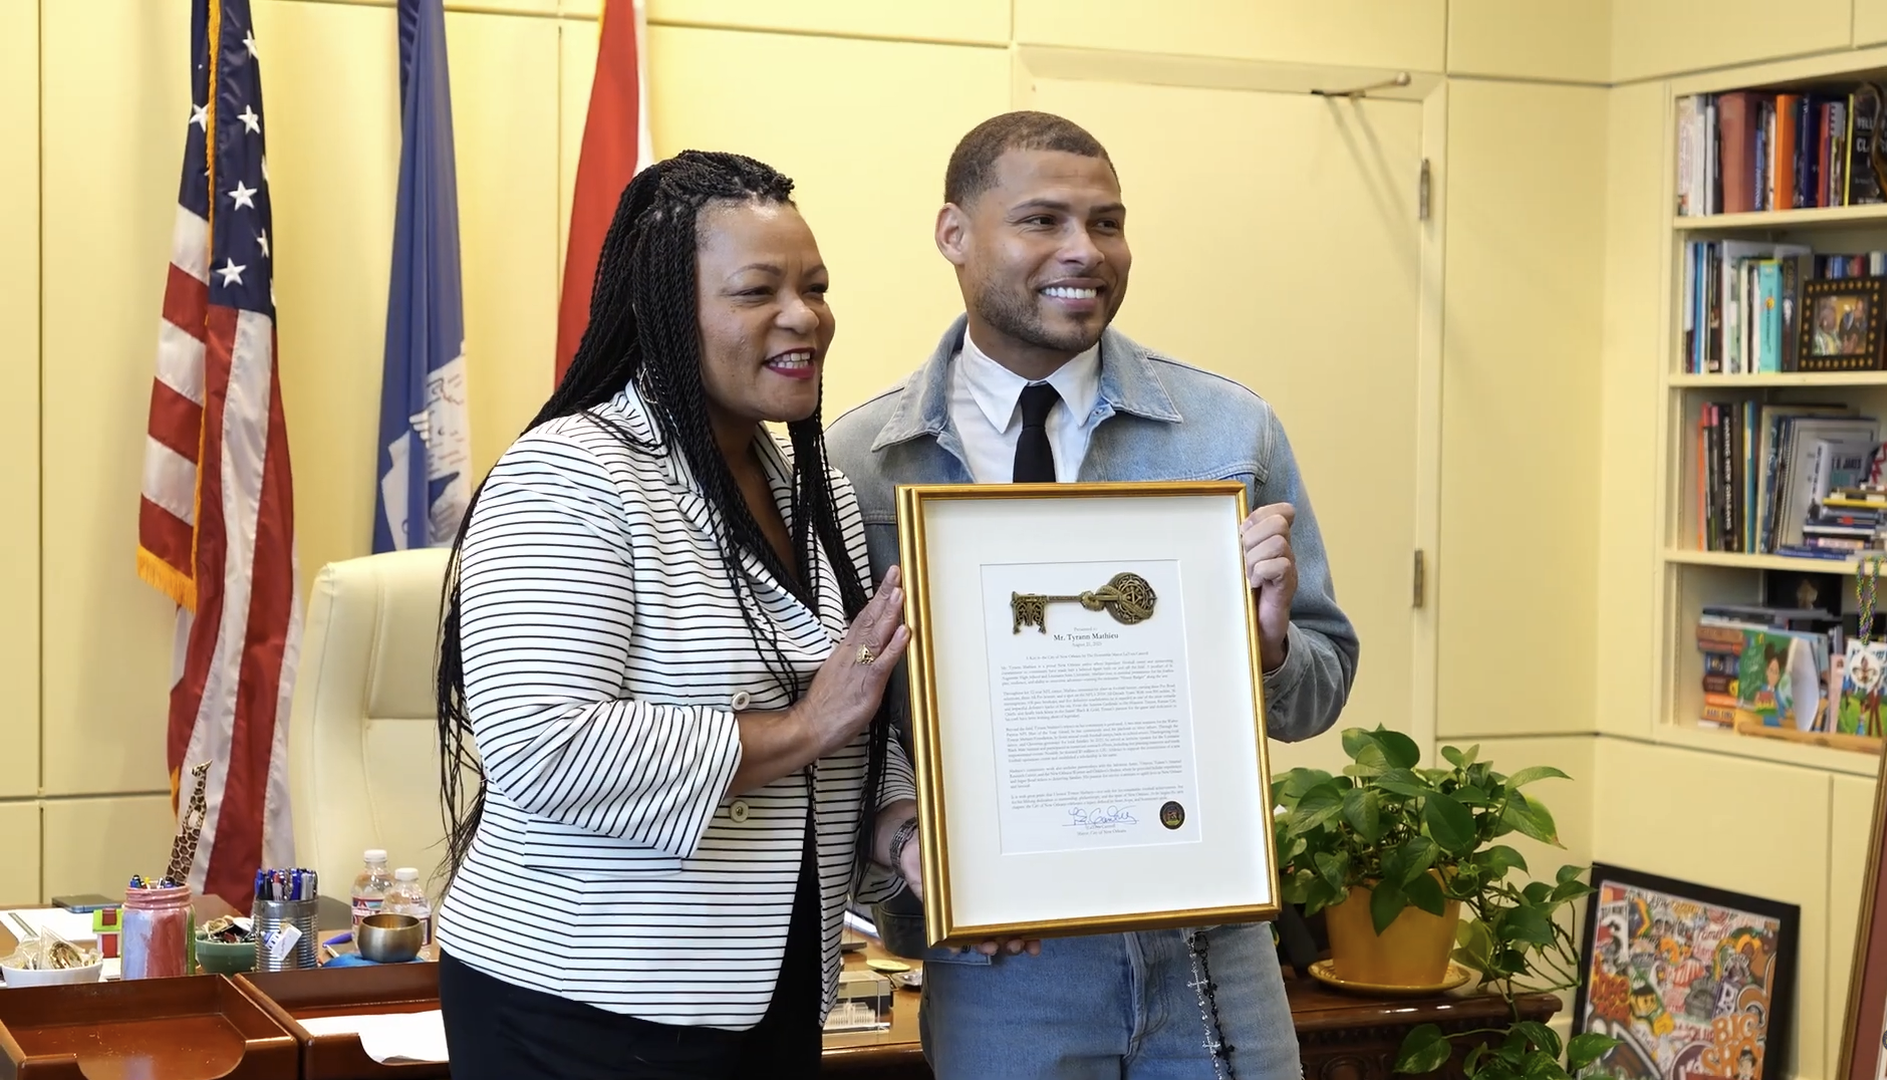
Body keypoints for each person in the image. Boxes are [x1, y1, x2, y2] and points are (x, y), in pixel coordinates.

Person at [826, 111, 1361, 1078]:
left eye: (1107, 222)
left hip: (1211, 957)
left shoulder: (1228, 433)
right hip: (998, 967)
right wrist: (910, 858)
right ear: (954, 234)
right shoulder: (860, 465)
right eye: (1042, 221)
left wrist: (1272, 652)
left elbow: (1322, 686)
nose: (1085, 251)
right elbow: (842, 726)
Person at [430, 150, 923, 1079]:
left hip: (773, 992)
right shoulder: (570, 475)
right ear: (662, 310)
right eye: (756, 290)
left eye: (815, 287)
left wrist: (902, 829)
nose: (803, 316)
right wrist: (805, 726)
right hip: (580, 1005)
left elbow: (850, 708)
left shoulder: (819, 494)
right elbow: (540, 747)